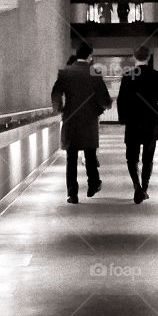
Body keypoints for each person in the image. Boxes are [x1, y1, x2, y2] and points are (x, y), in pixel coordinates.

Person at [51, 42, 112, 204]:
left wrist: (59, 109)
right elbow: (104, 100)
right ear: (90, 56)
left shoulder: (65, 73)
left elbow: (56, 92)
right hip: (89, 122)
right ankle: (93, 184)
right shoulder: (94, 73)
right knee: (90, 155)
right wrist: (101, 108)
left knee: (71, 159)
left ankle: (72, 194)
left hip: (70, 120)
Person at [116, 44, 158, 204]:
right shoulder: (157, 76)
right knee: (148, 158)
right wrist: (156, 114)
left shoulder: (128, 76)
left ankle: (137, 186)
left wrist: (123, 118)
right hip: (150, 123)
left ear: (134, 57)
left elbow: (121, 100)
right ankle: (144, 189)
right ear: (148, 57)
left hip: (133, 122)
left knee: (131, 158)